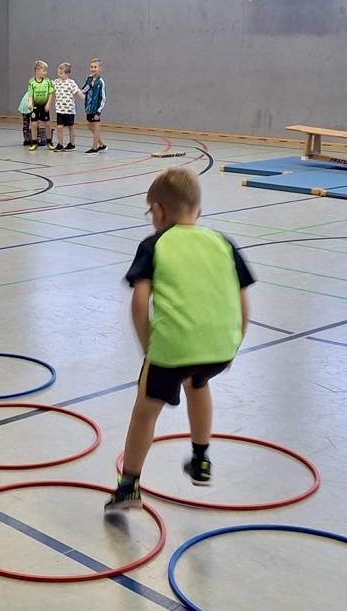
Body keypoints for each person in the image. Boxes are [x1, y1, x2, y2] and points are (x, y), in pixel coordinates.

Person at [106, 168, 254, 512]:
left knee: (145, 411)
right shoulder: (223, 242)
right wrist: (234, 345)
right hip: (219, 347)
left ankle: (129, 486)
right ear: (198, 211)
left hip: (171, 350)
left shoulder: (154, 245)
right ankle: (201, 459)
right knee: (197, 382)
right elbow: (243, 301)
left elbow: (139, 303)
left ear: (158, 211)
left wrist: (149, 348)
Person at [51, 62, 83, 152]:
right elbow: (47, 85)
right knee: (59, 127)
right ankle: (60, 144)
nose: (59, 75)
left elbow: (78, 92)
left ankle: (72, 144)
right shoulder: (55, 82)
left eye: (61, 73)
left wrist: (84, 98)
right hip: (59, 110)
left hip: (69, 110)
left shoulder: (71, 83)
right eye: (58, 73)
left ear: (67, 73)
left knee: (71, 126)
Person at [82, 59, 108, 154]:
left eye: (95, 67)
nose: (93, 69)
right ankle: (102, 145)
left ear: (100, 68)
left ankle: (94, 148)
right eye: (91, 67)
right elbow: (84, 90)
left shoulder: (101, 82)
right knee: (90, 127)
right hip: (88, 108)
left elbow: (103, 98)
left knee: (96, 128)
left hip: (95, 109)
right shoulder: (89, 79)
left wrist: (98, 111)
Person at [26, 61, 53, 150]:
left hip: (44, 106)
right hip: (35, 106)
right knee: (34, 124)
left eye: (46, 71)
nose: (46, 72)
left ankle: (49, 141)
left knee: (47, 124)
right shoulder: (32, 82)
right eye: (44, 70)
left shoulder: (47, 81)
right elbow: (31, 95)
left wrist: (48, 104)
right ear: (37, 70)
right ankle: (34, 142)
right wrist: (30, 103)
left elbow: (50, 93)